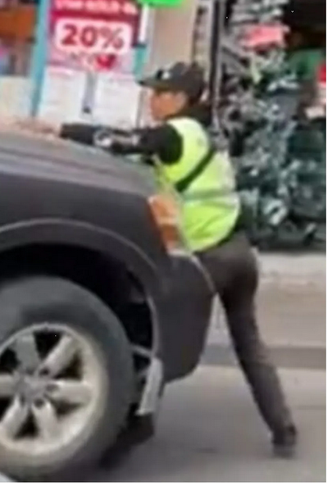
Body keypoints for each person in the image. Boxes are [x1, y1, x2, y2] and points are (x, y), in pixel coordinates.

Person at [22, 61, 298, 459]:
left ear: (180, 98)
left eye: (158, 93)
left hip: (207, 259)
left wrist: (57, 130)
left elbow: (121, 141)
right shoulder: (207, 133)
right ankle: (283, 429)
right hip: (239, 252)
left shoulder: (175, 133)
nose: (151, 101)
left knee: (156, 343)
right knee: (249, 344)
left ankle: (126, 437)